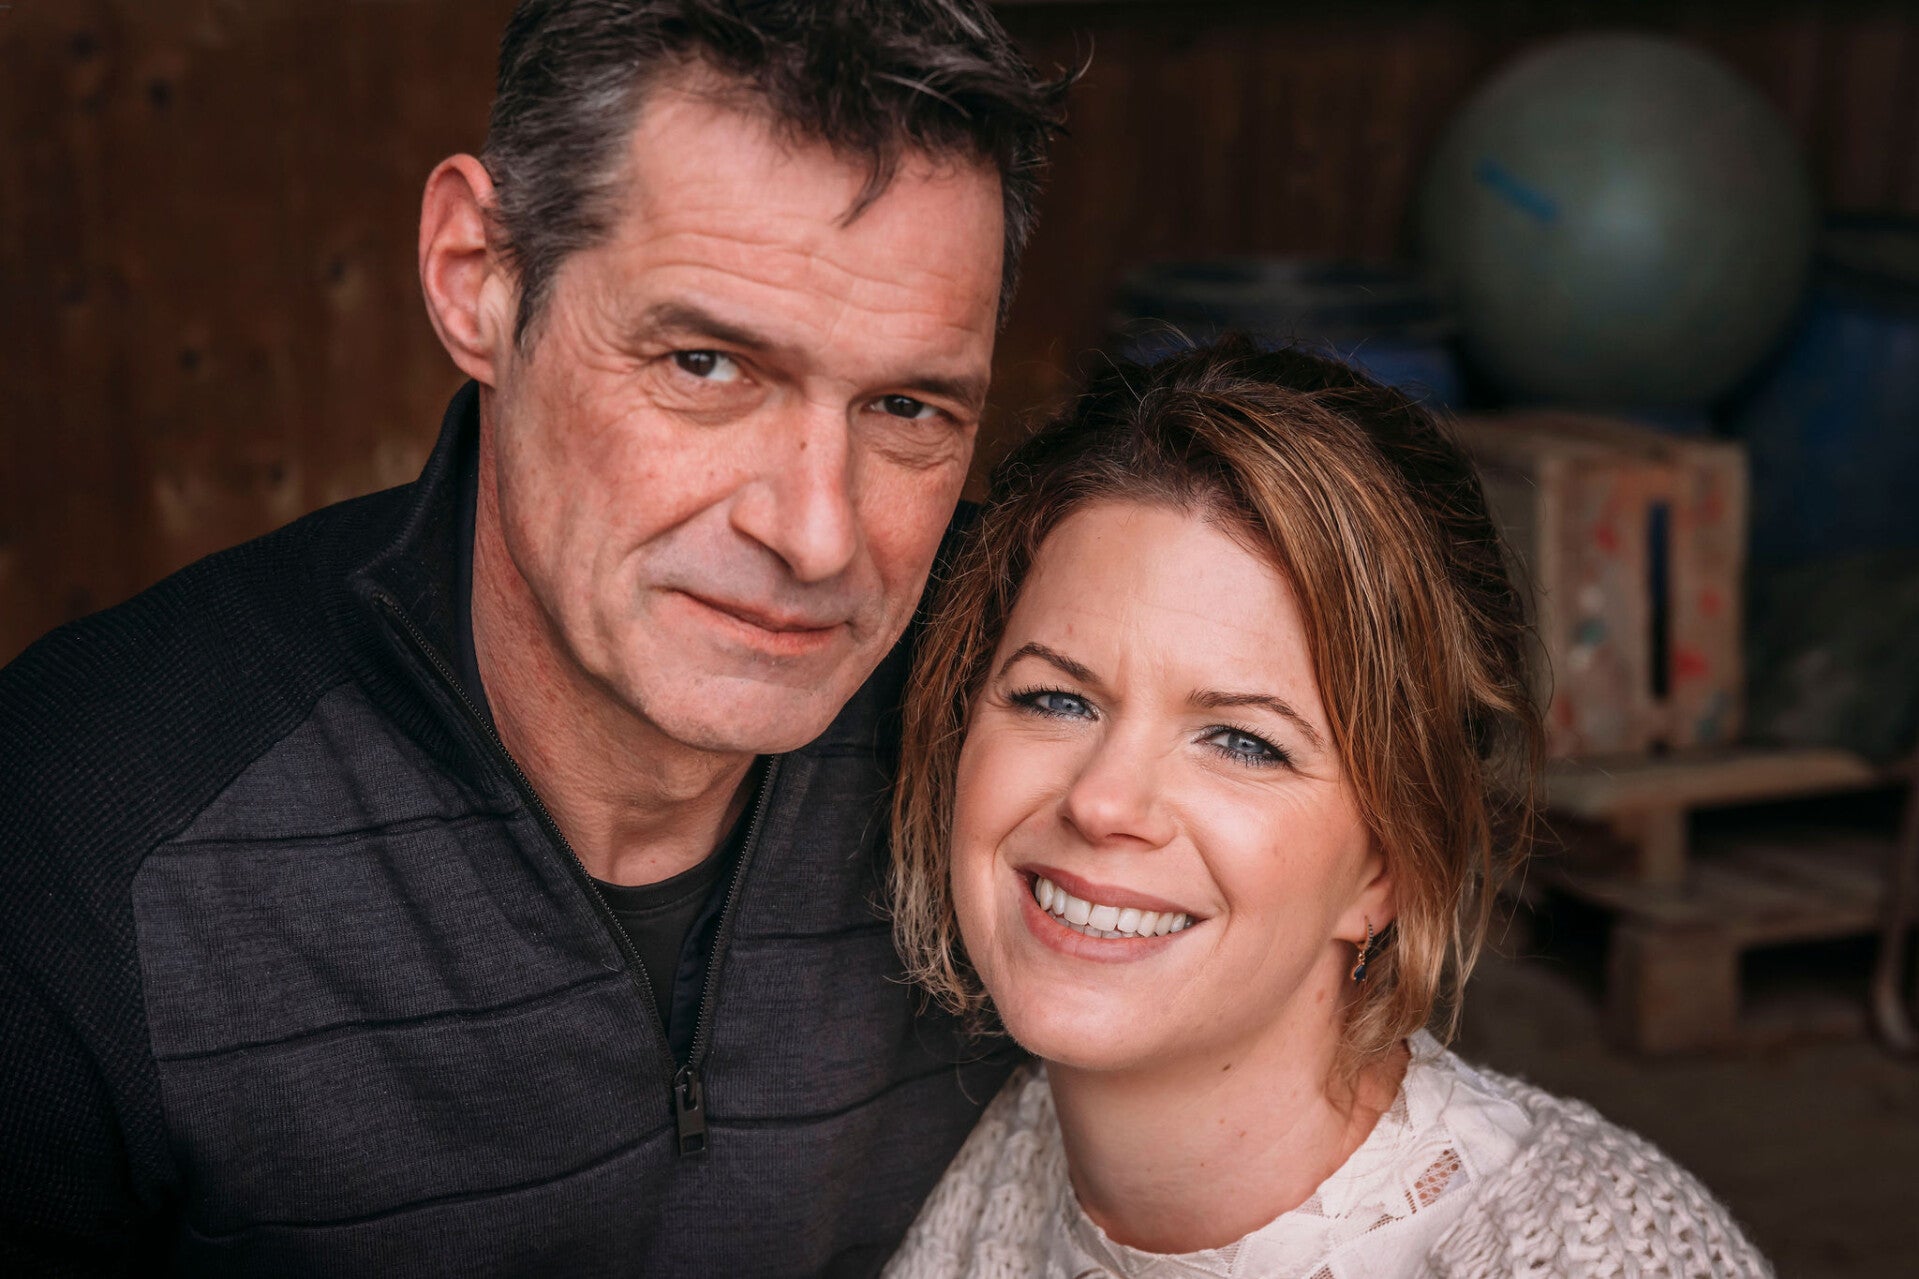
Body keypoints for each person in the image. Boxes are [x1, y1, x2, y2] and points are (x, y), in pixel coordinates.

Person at [0, 2, 1070, 1273]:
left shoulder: (1048, 722)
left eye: (905, 406)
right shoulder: (79, 828)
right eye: (705, 364)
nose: (817, 535)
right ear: (479, 279)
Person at [884, 341, 1772, 1277]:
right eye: (1055, 699)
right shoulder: (977, 1181)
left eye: (1242, 741)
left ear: (1391, 862)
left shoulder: (1597, 1255)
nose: (1102, 800)